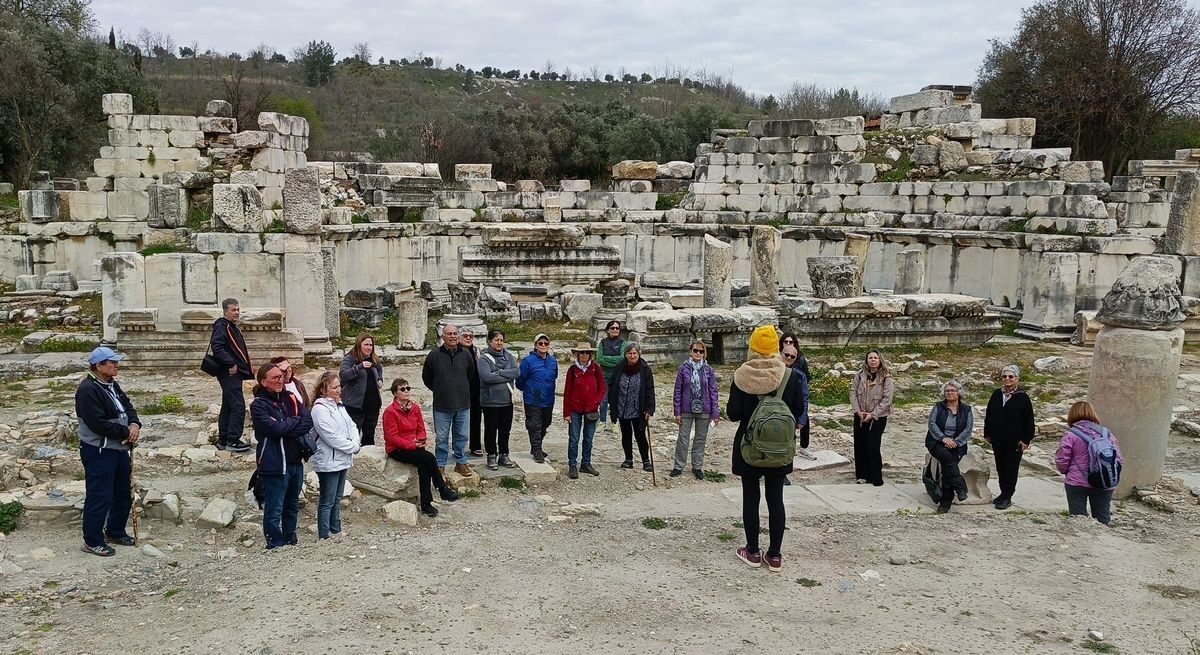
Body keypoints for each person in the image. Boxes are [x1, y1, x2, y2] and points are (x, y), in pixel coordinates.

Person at [728, 325, 804, 573]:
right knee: (776, 499)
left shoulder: (742, 376)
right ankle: (774, 555)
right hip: (780, 448)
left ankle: (751, 551)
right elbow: (798, 410)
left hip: (749, 446)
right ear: (776, 348)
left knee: (751, 498)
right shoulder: (790, 376)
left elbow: (733, 413)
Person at [75, 346, 142, 556]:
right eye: (111, 362)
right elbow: (98, 423)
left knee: (121, 492)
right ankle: (92, 540)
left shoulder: (112, 385)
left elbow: (128, 407)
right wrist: (125, 431)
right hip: (99, 451)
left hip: (118, 448)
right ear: (99, 366)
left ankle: (115, 530)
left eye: (116, 362)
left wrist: (134, 424)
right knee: (100, 495)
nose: (116, 365)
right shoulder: (88, 389)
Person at [250, 361, 313, 549]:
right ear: (263, 382)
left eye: (282, 376)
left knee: (292, 505)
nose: (281, 380)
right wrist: (292, 422)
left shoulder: (291, 397)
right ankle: (275, 544)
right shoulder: (258, 405)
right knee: (274, 507)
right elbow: (274, 429)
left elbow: (307, 421)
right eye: (275, 377)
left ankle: (290, 539)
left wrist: (287, 425)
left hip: (295, 461)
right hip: (274, 463)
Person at [382, 378, 459, 517]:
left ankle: (426, 503)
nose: (406, 391)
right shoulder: (390, 412)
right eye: (402, 389)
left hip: (414, 444)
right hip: (397, 449)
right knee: (429, 458)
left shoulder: (415, 408)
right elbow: (391, 437)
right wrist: (411, 444)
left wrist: (421, 439)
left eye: (408, 388)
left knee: (424, 465)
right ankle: (441, 488)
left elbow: (421, 428)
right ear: (395, 393)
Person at [310, 371, 361, 539]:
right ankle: (324, 535)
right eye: (334, 387)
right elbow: (330, 436)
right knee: (327, 500)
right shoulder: (319, 409)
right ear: (324, 389)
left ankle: (336, 529)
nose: (338, 390)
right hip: (328, 460)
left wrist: (355, 442)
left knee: (337, 497)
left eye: (339, 386)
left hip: (342, 458)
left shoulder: (339, 406)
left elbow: (351, 425)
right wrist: (351, 447)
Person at [1055, 401, 1122, 525]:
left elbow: (1062, 459)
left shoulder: (1071, 434)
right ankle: (1102, 540)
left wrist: (1066, 472)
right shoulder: (1107, 434)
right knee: (1103, 517)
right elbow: (1118, 459)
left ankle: (1081, 543)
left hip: (1077, 482)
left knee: (1078, 519)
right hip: (1104, 481)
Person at [422, 324, 475, 476]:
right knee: (442, 438)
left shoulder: (466, 355)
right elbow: (427, 378)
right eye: (449, 334)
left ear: (458, 336)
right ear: (442, 336)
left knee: (462, 436)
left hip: (463, 405)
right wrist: (440, 389)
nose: (452, 336)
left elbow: (470, 375)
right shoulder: (434, 355)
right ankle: (440, 465)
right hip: (442, 406)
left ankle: (461, 462)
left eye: (454, 334)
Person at [983, 364, 1035, 510]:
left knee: (1011, 468)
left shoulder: (1023, 397)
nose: (1007, 379)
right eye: (1005, 376)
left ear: (1017, 379)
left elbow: (1029, 420)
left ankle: (1008, 495)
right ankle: (1003, 492)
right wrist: (987, 432)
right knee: (1000, 467)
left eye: (1010, 377)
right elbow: (989, 415)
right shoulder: (996, 394)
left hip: (1015, 441)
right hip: (998, 439)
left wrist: (1026, 439)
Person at [671, 340, 719, 480]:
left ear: (704, 353)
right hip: (686, 408)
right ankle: (678, 466)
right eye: (695, 350)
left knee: (700, 439)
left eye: (701, 351)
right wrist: (677, 411)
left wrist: (715, 413)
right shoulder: (683, 369)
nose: (698, 353)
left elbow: (713, 392)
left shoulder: (708, 370)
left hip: (704, 408)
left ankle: (697, 466)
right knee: (683, 439)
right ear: (690, 352)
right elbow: (677, 391)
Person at [211, 297, 252, 453]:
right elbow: (217, 347)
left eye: (238, 309)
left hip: (235, 373)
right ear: (225, 311)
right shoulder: (222, 326)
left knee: (228, 405)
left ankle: (224, 439)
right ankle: (233, 441)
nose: (237, 312)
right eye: (233, 310)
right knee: (238, 405)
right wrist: (231, 363)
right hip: (229, 372)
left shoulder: (231, 326)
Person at [925, 380, 973, 513]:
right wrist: (944, 438)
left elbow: (968, 429)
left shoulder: (966, 410)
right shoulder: (938, 407)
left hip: (958, 444)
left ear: (959, 393)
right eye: (947, 391)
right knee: (947, 458)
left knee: (948, 468)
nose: (950, 393)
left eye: (953, 390)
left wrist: (956, 442)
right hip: (936, 442)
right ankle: (959, 487)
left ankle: (946, 501)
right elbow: (932, 424)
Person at [607, 342, 656, 471]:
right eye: (630, 353)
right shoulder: (620, 367)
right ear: (625, 354)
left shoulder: (645, 369)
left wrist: (649, 408)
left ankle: (646, 461)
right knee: (626, 434)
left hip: (638, 408)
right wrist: (612, 403)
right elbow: (612, 384)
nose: (632, 356)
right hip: (622, 406)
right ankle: (628, 459)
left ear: (639, 354)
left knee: (640, 435)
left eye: (635, 353)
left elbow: (650, 389)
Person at [850, 349, 894, 487]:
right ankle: (861, 475)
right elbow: (853, 392)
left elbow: (887, 399)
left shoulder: (886, 377)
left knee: (873, 445)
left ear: (879, 360)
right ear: (866, 360)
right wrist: (858, 411)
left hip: (878, 416)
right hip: (861, 414)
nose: (873, 360)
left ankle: (875, 476)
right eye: (870, 357)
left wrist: (873, 414)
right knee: (860, 445)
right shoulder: (860, 375)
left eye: (875, 357)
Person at [562, 342, 606, 479]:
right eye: (582, 352)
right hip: (575, 408)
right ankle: (572, 465)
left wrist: (596, 401)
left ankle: (586, 463)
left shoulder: (596, 369)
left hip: (591, 408)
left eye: (587, 352)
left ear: (591, 354)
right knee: (574, 438)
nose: (585, 355)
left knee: (588, 439)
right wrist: (566, 413)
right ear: (577, 354)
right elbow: (567, 391)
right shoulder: (572, 370)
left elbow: (602, 388)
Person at [478, 330, 520, 471]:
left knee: (505, 430)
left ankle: (504, 454)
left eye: (501, 340)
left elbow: (516, 372)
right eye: (496, 340)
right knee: (491, 430)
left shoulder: (508, 356)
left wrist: (499, 372)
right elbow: (487, 377)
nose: (499, 342)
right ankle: (491, 455)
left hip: (507, 401)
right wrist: (507, 376)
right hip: (490, 402)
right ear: (490, 341)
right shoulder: (484, 358)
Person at [516, 333, 558, 463]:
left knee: (545, 423)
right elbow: (520, 379)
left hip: (548, 399)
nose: (543, 345)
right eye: (540, 343)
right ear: (535, 345)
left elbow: (555, 376)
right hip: (532, 398)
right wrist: (529, 390)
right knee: (534, 425)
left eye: (546, 343)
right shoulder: (528, 361)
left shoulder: (552, 361)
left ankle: (536, 447)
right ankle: (537, 449)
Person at [339, 333, 384, 446]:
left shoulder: (374, 358)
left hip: (373, 405)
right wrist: (359, 367)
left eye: (371, 345)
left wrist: (380, 379)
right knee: (352, 436)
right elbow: (343, 375)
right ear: (359, 345)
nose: (369, 347)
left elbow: (379, 369)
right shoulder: (349, 358)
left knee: (369, 436)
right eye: (366, 344)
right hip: (355, 406)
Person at [779, 344, 811, 483]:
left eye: (793, 357)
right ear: (781, 353)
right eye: (786, 355)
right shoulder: (772, 372)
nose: (789, 358)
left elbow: (804, 397)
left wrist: (802, 419)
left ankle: (783, 473)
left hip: (790, 416)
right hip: (770, 412)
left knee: (788, 446)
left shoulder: (799, 375)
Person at [780, 333, 815, 461]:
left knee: (803, 420)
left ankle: (803, 448)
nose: (788, 344)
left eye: (791, 342)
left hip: (796, 394)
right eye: (786, 342)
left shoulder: (800, 360)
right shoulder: (775, 363)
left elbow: (806, 377)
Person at [595, 320, 625, 433]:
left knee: (615, 400)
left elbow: (622, 358)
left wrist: (607, 359)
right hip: (604, 376)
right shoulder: (602, 342)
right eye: (612, 328)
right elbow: (599, 359)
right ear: (608, 330)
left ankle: (614, 422)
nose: (615, 330)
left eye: (617, 328)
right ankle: (602, 421)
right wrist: (614, 360)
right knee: (603, 400)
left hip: (618, 376)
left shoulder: (623, 343)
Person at [461, 328, 484, 457]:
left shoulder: (476, 351)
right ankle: (457, 447)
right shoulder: (456, 351)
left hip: (476, 390)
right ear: (460, 338)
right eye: (465, 336)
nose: (468, 338)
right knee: (459, 420)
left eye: (471, 336)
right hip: (460, 391)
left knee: (476, 419)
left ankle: (475, 445)